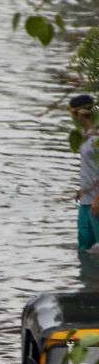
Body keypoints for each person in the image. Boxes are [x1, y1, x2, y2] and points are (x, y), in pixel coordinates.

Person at [71, 94, 99, 251]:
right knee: (84, 247)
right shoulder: (86, 135)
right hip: (86, 200)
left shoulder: (97, 138)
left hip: (97, 201)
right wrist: (83, 189)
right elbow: (89, 166)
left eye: (73, 114)